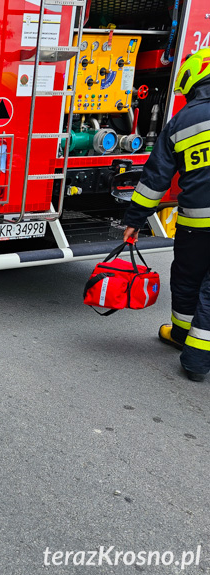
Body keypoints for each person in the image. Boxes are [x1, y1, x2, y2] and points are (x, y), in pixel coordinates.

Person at [121, 48, 210, 382]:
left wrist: (134, 221)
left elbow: (154, 182)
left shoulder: (181, 122)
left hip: (195, 228)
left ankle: (193, 356)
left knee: (188, 280)